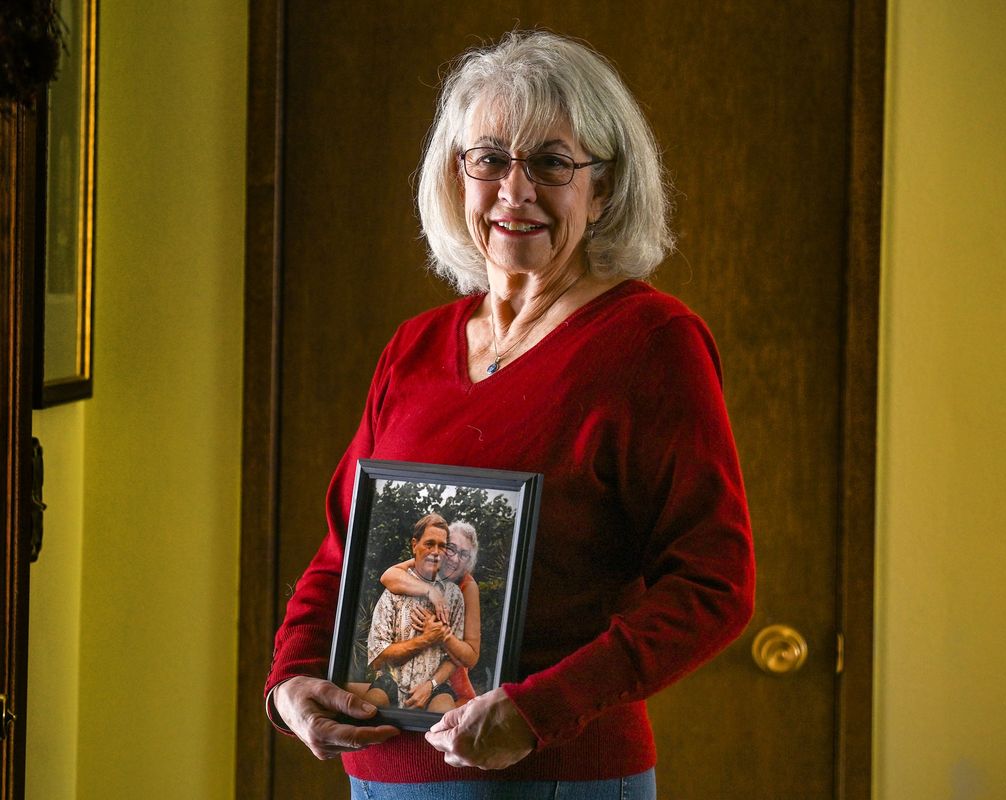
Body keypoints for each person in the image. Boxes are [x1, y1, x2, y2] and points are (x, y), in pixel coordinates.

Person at [266, 30, 755, 798]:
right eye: (489, 158)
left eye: (551, 164)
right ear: (456, 175)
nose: (513, 190)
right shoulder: (416, 347)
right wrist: (291, 678)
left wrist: (538, 711)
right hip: (379, 779)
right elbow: (342, 552)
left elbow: (715, 584)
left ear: (603, 189)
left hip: (552, 775)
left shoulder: (652, 344)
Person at [364, 514, 466, 712]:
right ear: (414, 545)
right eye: (429, 544)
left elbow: (455, 658)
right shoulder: (394, 589)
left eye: (442, 546)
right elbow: (378, 659)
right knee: (368, 710)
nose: (436, 552)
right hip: (390, 682)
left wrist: (431, 685)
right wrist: (426, 639)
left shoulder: (454, 596)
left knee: (445, 716)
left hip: (434, 686)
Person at [378, 520, 482, 707]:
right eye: (451, 548)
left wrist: (439, 634)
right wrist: (430, 591)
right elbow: (388, 576)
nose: (455, 559)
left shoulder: (468, 586)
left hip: (450, 673)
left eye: (464, 555)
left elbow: (471, 657)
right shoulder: (429, 561)